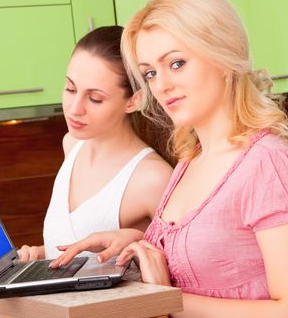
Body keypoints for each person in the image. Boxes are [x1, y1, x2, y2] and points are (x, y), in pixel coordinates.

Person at [50, 0, 288, 318]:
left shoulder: (269, 164)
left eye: (176, 63)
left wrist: (164, 299)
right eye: (150, 72)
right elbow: (210, 257)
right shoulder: (191, 159)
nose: (161, 85)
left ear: (222, 55)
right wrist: (136, 243)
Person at [18, 26, 173, 261]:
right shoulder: (71, 145)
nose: (74, 108)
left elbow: (179, 268)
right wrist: (40, 254)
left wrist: (137, 239)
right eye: (70, 88)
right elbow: (77, 244)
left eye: (95, 98)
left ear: (134, 100)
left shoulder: (153, 178)